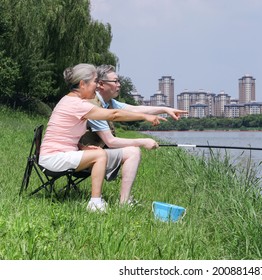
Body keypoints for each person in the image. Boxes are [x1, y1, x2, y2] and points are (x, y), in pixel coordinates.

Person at [39, 63, 167, 212]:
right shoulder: (76, 104)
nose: (97, 86)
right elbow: (114, 114)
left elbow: (64, 136)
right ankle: (95, 203)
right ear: (82, 84)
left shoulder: (73, 101)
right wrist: (145, 116)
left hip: (63, 154)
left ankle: (124, 202)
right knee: (99, 154)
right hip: (53, 159)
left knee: (130, 152)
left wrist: (83, 148)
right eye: (94, 81)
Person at [79, 65, 187, 207]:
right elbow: (110, 141)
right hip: (82, 156)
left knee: (133, 150)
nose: (119, 85)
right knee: (133, 152)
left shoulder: (108, 102)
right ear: (100, 84)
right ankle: (124, 202)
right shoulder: (94, 106)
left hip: (93, 152)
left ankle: (125, 200)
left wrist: (165, 109)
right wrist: (143, 141)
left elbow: (135, 109)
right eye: (115, 81)